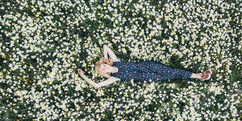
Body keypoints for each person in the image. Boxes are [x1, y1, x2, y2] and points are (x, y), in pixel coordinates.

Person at [78, 45, 211, 89]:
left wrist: (104, 59)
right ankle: (198, 76)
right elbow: (96, 85)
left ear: (107, 63)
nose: (106, 68)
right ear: (104, 72)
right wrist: (83, 75)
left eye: (104, 66)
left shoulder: (116, 61)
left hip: (147, 65)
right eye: (103, 70)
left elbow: (105, 46)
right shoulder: (115, 77)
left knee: (172, 71)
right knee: (171, 75)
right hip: (147, 76)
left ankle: (198, 75)